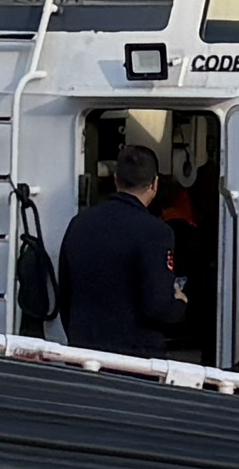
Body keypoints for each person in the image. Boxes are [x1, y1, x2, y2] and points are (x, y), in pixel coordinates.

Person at [50, 135, 187, 357]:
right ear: (155, 184)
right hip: (134, 359)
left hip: (83, 353)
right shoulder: (156, 232)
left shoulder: (79, 223)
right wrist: (179, 303)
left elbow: (65, 294)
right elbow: (158, 306)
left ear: (116, 179)